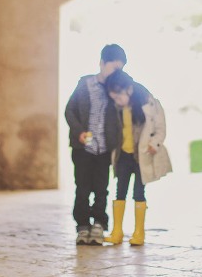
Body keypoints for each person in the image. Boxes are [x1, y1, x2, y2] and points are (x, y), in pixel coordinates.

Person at [64, 44, 126, 245]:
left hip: (104, 149)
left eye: (121, 69)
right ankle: (82, 226)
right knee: (82, 187)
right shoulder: (84, 84)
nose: (117, 73)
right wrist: (79, 131)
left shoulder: (116, 89)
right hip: (83, 148)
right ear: (101, 63)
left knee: (101, 188)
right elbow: (70, 111)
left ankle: (99, 224)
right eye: (114, 68)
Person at [103, 69, 172, 246]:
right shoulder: (116, 109)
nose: (116, 101)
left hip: (142, 156)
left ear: (129, 90)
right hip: (123, 155)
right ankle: (116, 231)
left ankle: (139, 233)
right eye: (114, 98)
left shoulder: (149, 103)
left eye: (119, 97)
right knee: (120, 191)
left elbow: (160, 128)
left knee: (139, 192)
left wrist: (154, 143)